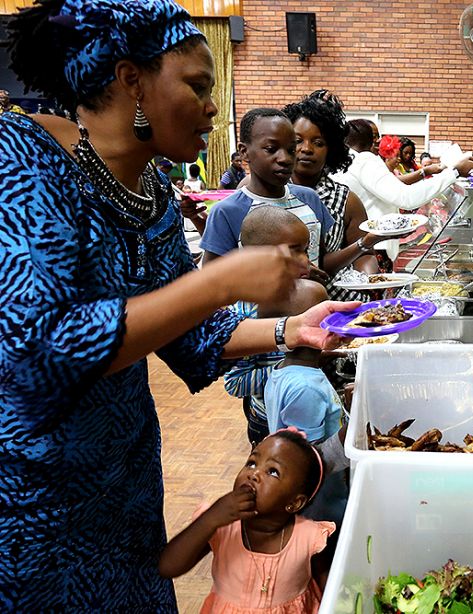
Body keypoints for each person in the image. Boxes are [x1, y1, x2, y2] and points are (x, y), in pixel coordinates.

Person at [0, 1, 358, 609]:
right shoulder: (23, 160)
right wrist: (220, 282)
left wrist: (293, 329)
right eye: (197, 86)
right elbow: (40, 346)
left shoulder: (154, 198)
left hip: (125, 480)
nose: (215, 108)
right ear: (130, 79)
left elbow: (190, 336)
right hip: (35, 499)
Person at [159, 428, 334, 613]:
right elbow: (167, 567)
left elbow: (329, 589)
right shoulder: (221, 526)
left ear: (294, 502)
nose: (254, 474)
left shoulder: (310, 538)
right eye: (251, 463)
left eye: (273, 472)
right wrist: (211, 519)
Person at [283, 90, 394, 302]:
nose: (306, 149)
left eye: (318, 143)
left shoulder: (346, 200)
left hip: (336, 303)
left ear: (331, 150)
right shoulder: (268, 191)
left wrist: (367, 279)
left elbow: (365, 255)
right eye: (298, 141)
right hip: (275, 308)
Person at [225, 206, 322, 445]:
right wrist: (296, 364)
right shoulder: (245, 310)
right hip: (269, 419)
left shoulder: (304, 290)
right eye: (294, 252)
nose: (306, 261)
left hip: (306, 405)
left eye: (306, 250)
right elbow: (235, 383)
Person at [200, 108, 333, 272]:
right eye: (271, 149)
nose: (285, 159)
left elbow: (320, 260)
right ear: (244, 152)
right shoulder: (227, 211)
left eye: (291, 150)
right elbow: (213, 281)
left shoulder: (309, 199)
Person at [263, 280, 349, 532]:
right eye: (326, 311)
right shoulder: (306, 388)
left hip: (323, 494)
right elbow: (308, 461)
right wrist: (352, 426)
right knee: (324, 546)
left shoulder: (288, 369)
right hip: (319, 502)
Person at [333, 118, 473, 261]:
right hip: (374, 247)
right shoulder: (363, 160)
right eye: (375, 137)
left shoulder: (348, 160)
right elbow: (406, 198)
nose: (379, 141)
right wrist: (454, 173)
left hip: (362, 245)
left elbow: (394, 186)